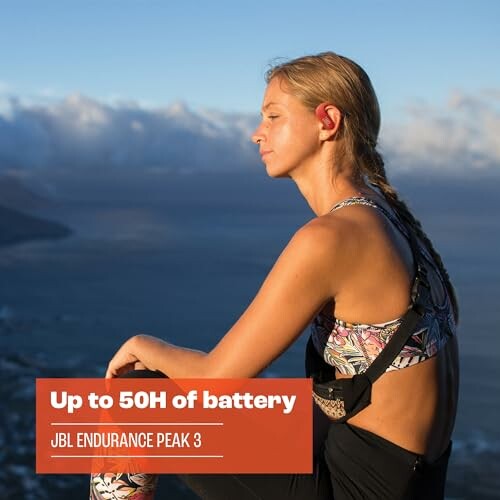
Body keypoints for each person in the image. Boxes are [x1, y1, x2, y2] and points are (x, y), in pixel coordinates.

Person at [90, 51, 459, 500]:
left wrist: (144, 345)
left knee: (137, 395)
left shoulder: (332, 237)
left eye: (273, 116)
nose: (256, 132)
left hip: (350, 489)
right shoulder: (389, 220)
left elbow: (215, 383)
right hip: (406, 481)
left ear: (327, 121)